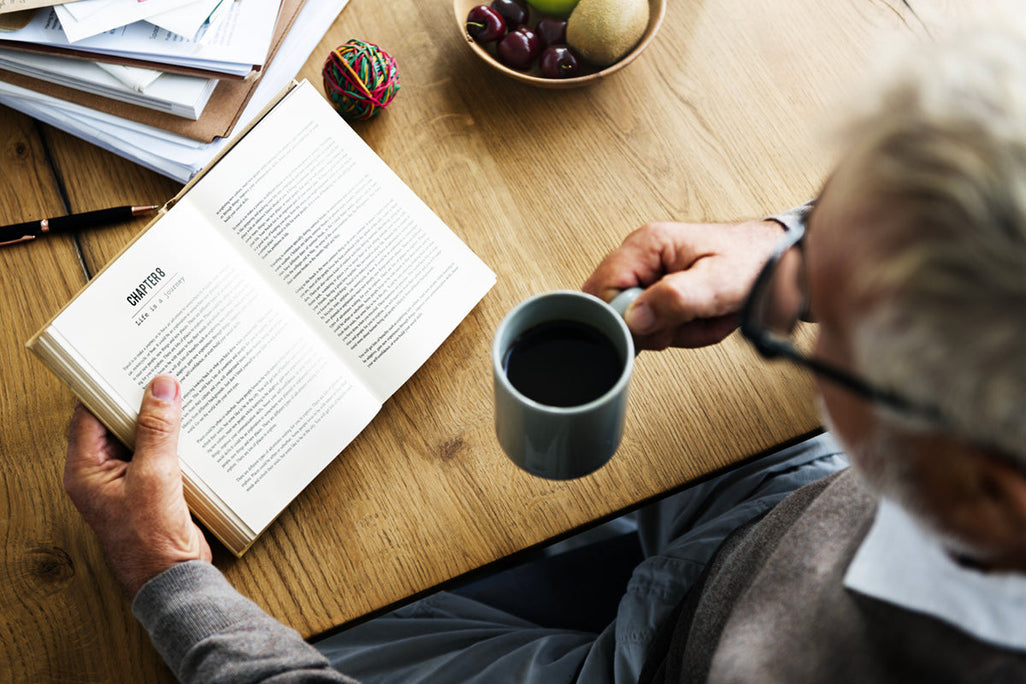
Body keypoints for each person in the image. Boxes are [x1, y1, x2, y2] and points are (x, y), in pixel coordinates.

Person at [63, 22, 1026, 683]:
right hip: (804, 501)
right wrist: (790, 249)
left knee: (306, 615)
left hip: (680, 655)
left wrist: (168, 578)